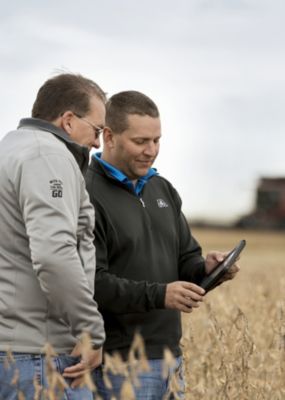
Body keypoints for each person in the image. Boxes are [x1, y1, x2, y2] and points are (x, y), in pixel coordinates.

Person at [85, 90, 240, 399]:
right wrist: (161, 294)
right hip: (118, 364)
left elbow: (186, 259)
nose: (151, 151)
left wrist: (208, 270)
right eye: (140, 142)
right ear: (109, 136)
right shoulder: (86, 192)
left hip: (170, 358)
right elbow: (90, 283)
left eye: (157, 141)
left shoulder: (163, 189)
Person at [0, 73, 107, 400]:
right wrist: (90, 331)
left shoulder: (9, 147)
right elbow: (54, 254)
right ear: (69, 120)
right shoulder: (48, 156)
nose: (98, 143)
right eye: (97, 129)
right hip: (38, 357)